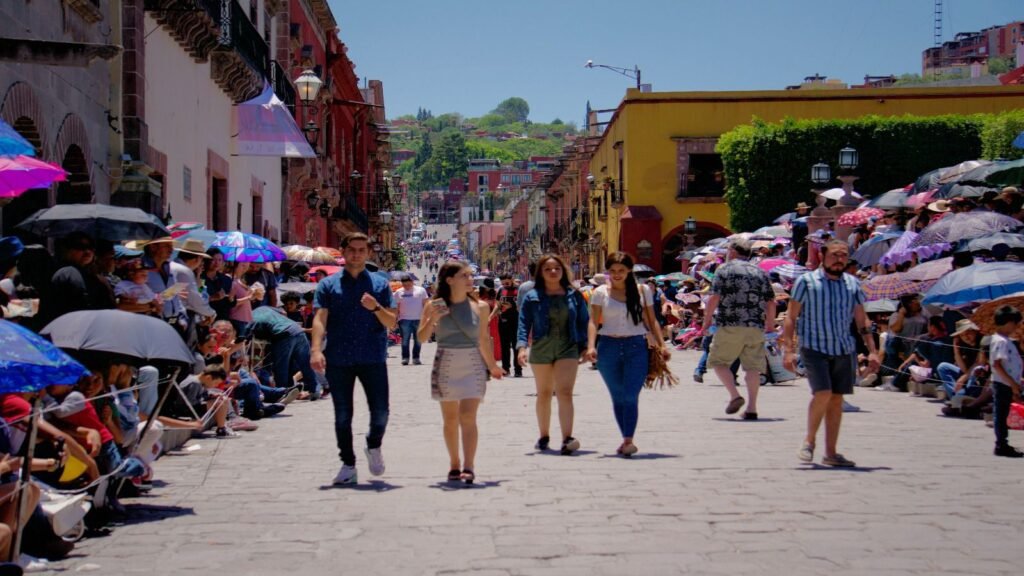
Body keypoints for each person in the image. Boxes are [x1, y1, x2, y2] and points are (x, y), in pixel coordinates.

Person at [783, 240, 879, 468]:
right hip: (813, 346)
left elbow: (861, 319)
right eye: (835, 254)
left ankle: (831, 453)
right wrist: (788, 350)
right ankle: (809, 440)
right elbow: (790, 316)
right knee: (823, 392)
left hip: (843, 348)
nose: (839, 259)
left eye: (844, 255)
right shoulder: (806, 282)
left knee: (836, 399)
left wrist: (873, 351)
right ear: (823, 255)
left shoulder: (853, 284)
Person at [311, 233, 397, 485]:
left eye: (362, 250)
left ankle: (373, 445)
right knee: (342, 415)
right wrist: (316, 349)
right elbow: (319, 318)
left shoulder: (380, 285)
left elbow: (391, 322)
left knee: (381, 411)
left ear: (368, 253)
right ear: (343, 251)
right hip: (339, 357)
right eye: (352, 249)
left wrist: (376, 308)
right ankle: (348, 464)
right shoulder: (328, 285)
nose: (357, 254)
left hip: (373, 356)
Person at [417, 261, 503, 484]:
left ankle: (469, 465)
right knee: (450, 419)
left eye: (470, 275)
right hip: (446, 362)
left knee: (468, 416)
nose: (470, 279)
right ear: (449, 279)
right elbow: (421, 337)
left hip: (472, 363)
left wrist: (492, 366)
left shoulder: (480, 307)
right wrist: (432, 320)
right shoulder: (435, 305)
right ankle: (454, 463)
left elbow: (484, 339)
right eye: (464, 275)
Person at [584, 252, 669, 456]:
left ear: (629, 270)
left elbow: (652, 319)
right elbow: (593, 322)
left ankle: (628, 439)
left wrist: (662, 344)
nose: (616, 274)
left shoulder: (642, 291)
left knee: (631, 395)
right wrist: (591, 346)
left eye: (621, 270)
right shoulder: (600, 292)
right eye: (612, 271)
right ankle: (626, 438)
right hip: (608, 347)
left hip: (635, 346)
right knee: (617, 396)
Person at [517, 254, 590, 455]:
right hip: (542, 346)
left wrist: (587, 346)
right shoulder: (532, 296)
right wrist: (522, 346)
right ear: (541, 272)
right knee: (544, 393)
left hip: (568, 346)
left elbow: (584, 320)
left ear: (563, 270)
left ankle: (567, 438)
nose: (553, 272)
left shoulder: (574, 295)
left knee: (565, 392)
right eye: (548, 269)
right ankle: (544, 435)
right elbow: (523, 323)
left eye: (556, 268)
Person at [701, 238, 776, 420]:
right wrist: (770, 325)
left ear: (733, 252)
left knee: (718, 362)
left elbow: (714, 298)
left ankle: (735, 395)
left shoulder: (724, 270)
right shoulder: (759, 272)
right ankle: (751, 407)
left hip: (730, 323)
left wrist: (706, 322)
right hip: (755, 325)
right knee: (752, 368)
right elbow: (771, 301)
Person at [988, 305, 1023, 458]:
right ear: (1008, 323)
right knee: (1001, 415)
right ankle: (1001, 444)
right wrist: (1013, 383)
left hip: (1007, 383)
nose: (1016, 327)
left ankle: (1002, 442)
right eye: (1016, 324)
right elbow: (997, 364)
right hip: (1003, 383)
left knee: (1003, 413)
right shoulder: (1001, 341)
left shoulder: (1006, 341)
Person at [393, 273, 429, 365]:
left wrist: (427, 318)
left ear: (412, 282)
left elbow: (426, 305)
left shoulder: (421, 290)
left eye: (408, 284)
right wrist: (394, 319)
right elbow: (396, 307)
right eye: (404, 285)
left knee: (418, 340)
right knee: (405, 340)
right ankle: (405, 358)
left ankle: (416, 358)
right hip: (404, 319)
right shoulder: (398, 292)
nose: (407, 287)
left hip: (419, 319)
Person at [497, 273, 522, 377]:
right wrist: (493, 315)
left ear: (512, 280)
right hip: (503, 320)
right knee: (504, 346)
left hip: (516, 321)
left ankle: (518, 369)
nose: (505, 285)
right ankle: (505, 368)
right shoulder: (501, 290)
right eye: (503, 283)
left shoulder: (519, 290)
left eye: (507, 283)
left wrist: (516, 307)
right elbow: (497, 305)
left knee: (516, 346)